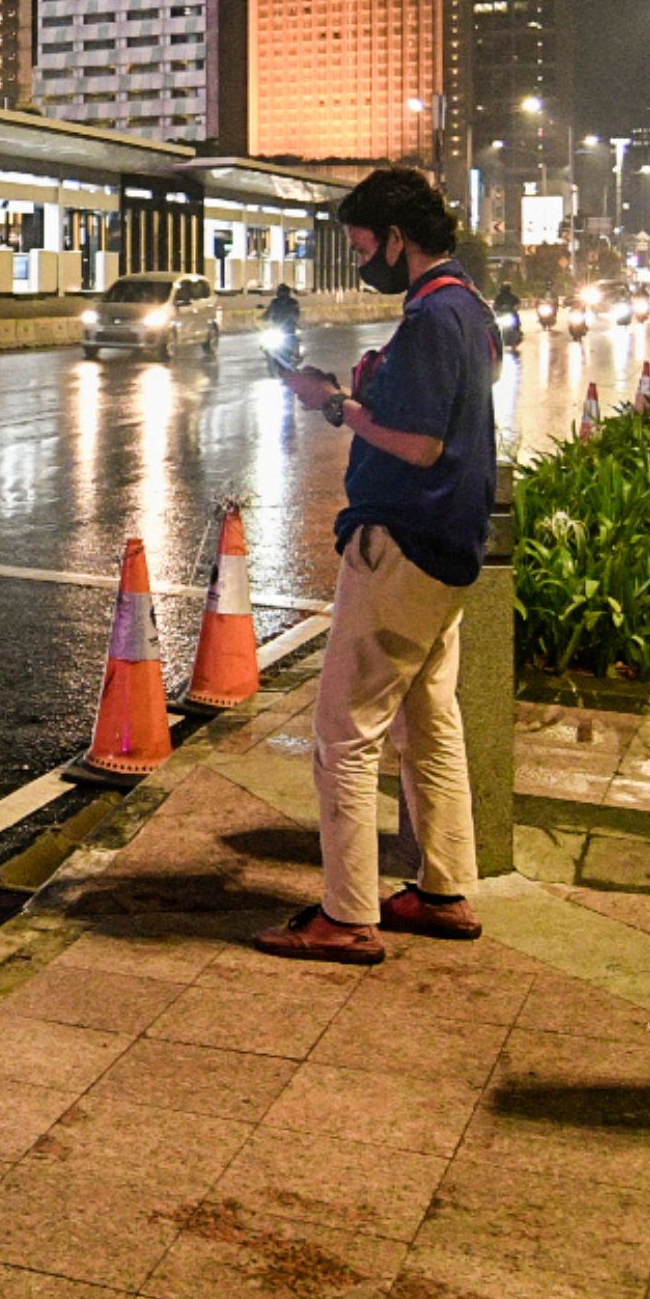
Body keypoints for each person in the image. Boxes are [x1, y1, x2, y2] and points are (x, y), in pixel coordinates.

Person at [258, 168, 500, 964]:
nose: (365, 260)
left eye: (366, 246)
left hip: (402, 540)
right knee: (429, 722)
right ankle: (442, 891)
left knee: (346, 732)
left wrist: (333, 406)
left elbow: (423, 443)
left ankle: (347, 913)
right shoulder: (470, 308)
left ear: (398, 238)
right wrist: (369, 393)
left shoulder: (431, 318)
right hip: (449, 547)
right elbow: (456, 402)